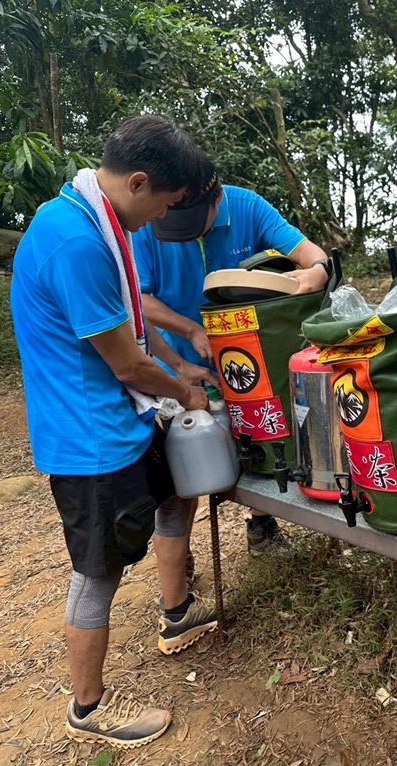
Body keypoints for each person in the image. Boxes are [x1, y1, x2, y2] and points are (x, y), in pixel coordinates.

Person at [10, 115, 224, 750]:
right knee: (98, 570)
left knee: (177, 488)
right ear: (139, 182)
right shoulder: (75, 241)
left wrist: (180, 361)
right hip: (90, 439)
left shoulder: (103, 219)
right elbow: (127, 363)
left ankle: (177, 611)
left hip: (125, 419)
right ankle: (88, 709)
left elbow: (131, 320)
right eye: (164, 202)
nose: (163, 216)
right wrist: (186, 390)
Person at [133, 175, 331, 555]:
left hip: (248, 355)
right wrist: (191, 332)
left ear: (216, 200)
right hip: (180, 360)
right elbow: (138, 299)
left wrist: (316, 271)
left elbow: (311, 254)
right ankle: (180, 558)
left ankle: (262, 526)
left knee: (264, 434)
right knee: (183, 463)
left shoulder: (247, 207)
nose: (183, 235)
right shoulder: (152, 219)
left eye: (192, 224)